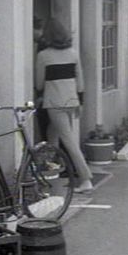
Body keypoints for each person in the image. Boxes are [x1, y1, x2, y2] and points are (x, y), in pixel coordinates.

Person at [35, 17, 94, 193]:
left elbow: (39, 84)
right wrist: (81, 101)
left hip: (54, 102)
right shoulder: (73, 53)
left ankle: (85, 179)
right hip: (72, 101)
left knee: (68, 141)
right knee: (52, 138)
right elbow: (80, 81)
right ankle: (51, 174)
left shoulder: (43, 55)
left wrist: (41, 93)